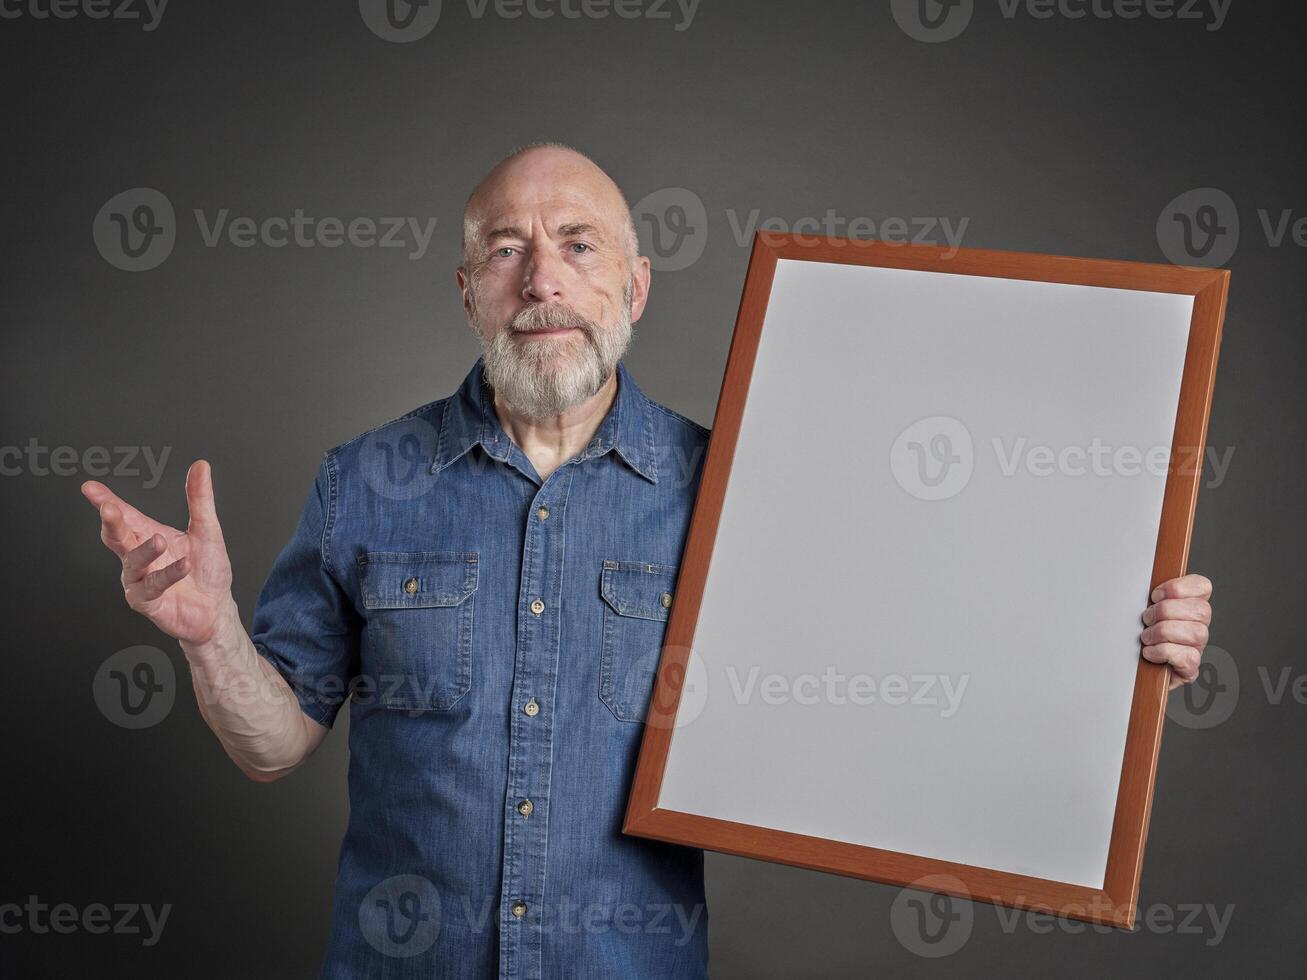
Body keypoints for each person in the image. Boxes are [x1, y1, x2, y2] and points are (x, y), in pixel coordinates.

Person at [80, 142, 1215, 978]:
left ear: (631, 288)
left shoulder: (736, 491)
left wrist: (1116, 636)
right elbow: (274, 746)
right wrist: (214, 632)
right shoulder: (362, 481)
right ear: (467, 290)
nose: (541, 280)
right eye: (505, 251)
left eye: (577, 247)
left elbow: (912, 664)